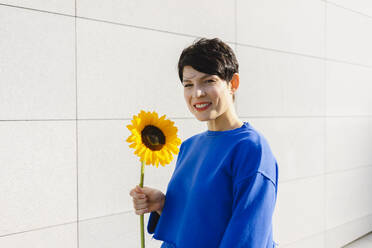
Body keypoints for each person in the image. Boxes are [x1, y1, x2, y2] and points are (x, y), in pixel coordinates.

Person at [129, 37, 279, 248]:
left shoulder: (251, 148)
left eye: (209, 81)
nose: (197, 94)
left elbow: (247, 238)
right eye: (188, 84)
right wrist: (163, 205)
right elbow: (197, 224)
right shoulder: (189, 147)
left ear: (232, 83)